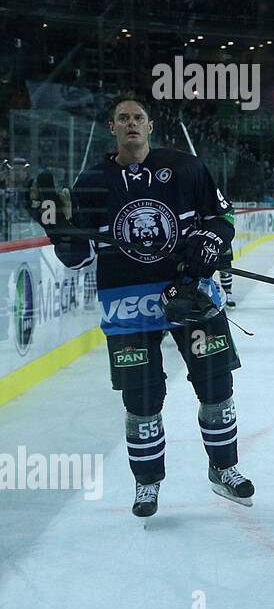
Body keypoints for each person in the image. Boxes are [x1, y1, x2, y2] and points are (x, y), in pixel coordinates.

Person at [27, 94, 253, 517]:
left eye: (138, 117)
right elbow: (79, 258)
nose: (131, 123)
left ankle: (225, 468)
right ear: (112, 128)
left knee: (215, 384)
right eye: (122, 118)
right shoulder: (92, 183)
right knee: (142, 397)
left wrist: (210, 244)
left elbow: (221, 218)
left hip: (193, 297)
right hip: (128, 306)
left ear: (150, 126)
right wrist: (59, 230)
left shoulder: (186, 166)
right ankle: (147, 482)